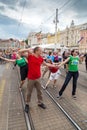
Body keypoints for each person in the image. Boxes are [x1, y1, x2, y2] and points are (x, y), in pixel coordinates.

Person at [19, 47, 58, 113]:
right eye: (41, 51)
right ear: (36, 51)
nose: (42, 52)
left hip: (38, 77)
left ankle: (40, 103)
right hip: (31, 78)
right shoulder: (30, 56)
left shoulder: (40, 58)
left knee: (39, 91)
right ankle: (27, 104)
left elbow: (46, 64)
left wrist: (53, 66)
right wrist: (27, 49)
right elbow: (20, 51)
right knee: (29, 92)